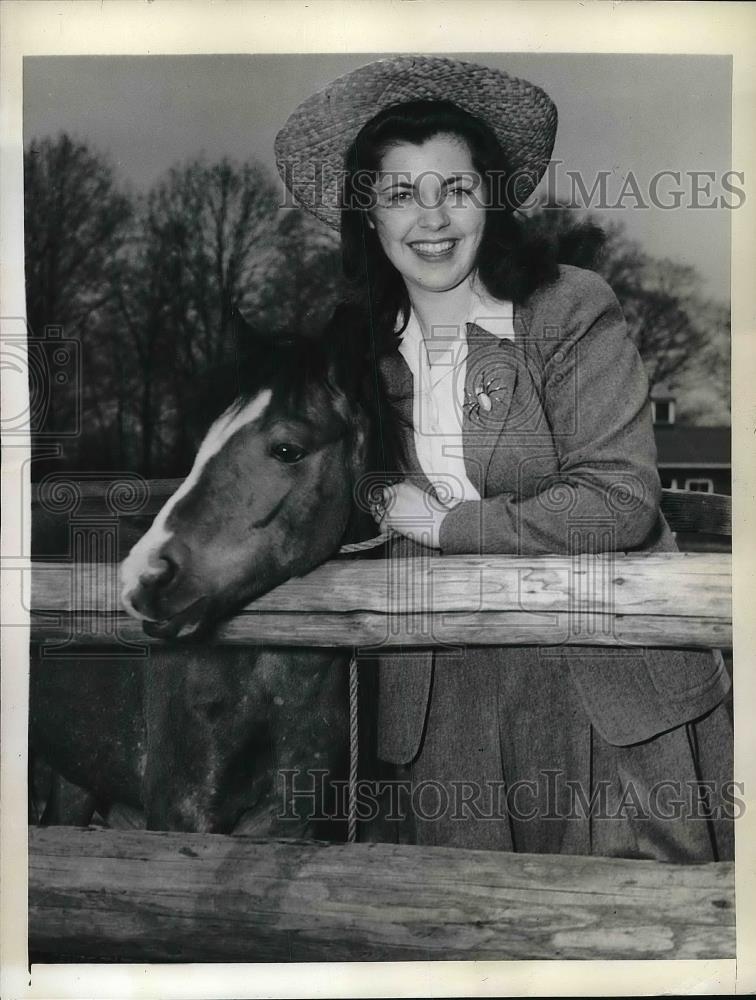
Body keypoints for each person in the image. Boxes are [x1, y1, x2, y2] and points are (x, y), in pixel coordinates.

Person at [275, 55, 733, 861]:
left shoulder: (567, 307)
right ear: (369, 219)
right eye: (399, 194)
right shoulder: (355, 357)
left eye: (455, 189)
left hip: (608, 692)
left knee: (637, 949)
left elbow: (618, 501)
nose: (432, 218)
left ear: (490, 196)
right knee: (465, 940)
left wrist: (447, 525)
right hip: (445, 712)